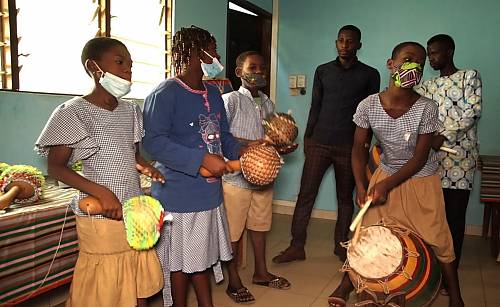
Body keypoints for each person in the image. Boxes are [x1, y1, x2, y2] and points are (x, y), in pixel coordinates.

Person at [327, 41, 464, 307]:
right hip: (385, 177)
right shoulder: (368, 105)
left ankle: (455, 296)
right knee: (365, 235)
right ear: (391, 65)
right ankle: (347, 284)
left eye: (421, 64)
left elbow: (420, 157)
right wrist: (361, 184)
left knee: (438, 238)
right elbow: (358, 148)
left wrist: (386, 185)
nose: (415, 67)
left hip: (421, 180)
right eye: (408, 59)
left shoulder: (427, 108)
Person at [35, 37, 165, 307]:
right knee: (106, 286)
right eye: (120, 63)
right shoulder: (73, 112)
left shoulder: (130, 111)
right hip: (100, 212)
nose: (127, 71)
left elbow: (132, 154)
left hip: (132, 207)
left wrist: (145, 166)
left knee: (136, 272)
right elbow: (56, 167)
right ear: (94, 67)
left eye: (130, 66)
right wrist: (101, 192)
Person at [142, 26, 243, 307]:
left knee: (201, 257)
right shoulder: (164, 94)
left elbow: (223, 136)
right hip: (178, 196)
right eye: (213, 48)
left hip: (209, 195)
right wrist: (198, 160)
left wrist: (243, 152)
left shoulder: (213, 93)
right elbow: (153, 142)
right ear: (198, 53)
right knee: (179, 262)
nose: (217, 55)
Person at [272, 25, 380, 264]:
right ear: (336, 43)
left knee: (345, 199)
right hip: (319, 143)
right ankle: (296, 246)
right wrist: (308, 138)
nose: (344, 45)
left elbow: (371, 113)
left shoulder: (370, 75)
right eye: (341, 40)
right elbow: (316, 105)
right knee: (306, 195)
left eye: (350, 41)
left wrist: (363, 148)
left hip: (349, 148)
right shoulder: (323, 71)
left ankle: (341, 246)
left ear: (359, 45)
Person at [221, 51, 291, 304]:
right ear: (239, 72)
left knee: (260, 225)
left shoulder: (267, 103)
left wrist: (281, 145)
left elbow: (272, 137)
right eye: (253, 67)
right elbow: (220, 137)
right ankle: (233, 280)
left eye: (262, 68)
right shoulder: (229, 101)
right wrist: (256, 144)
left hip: (264, 178)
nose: (258, 72)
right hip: (236, 178)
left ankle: (261, 272)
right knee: (233, 230)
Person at [415, 34, 482, 270]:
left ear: (449, 51)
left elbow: (472, 113)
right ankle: (431, 268)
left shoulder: (468, 76)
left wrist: (443, 136)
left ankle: (450, 271)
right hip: (431, 161)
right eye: (429, 53)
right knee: (432, 217)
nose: (431, 57)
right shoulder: (427, 86)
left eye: (435, 53)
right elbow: (406, 102)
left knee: (454, 217)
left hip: (460, 160)